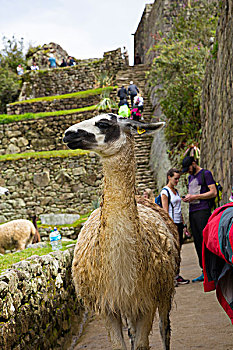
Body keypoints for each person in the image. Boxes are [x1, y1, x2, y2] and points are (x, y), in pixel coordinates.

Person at [182, 156, 217, 282]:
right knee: (197, 242)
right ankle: (204, 271)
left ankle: (212, 270)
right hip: (193, 212)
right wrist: (188, 198)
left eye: (189, 168)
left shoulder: (205, 174)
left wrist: (195, 196)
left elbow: (213, 192)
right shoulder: (190, 177)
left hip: (203, 211)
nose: (188, 171)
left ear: (194, 163)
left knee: (205, 241)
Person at [161, 168, 190, 285]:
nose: (177, 181)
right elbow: (165, 211)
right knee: (172, 251)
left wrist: (184, 225)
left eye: (178, 179)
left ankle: (177, 275)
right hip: (171, 224)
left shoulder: (176, 191)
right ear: (169, 177)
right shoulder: (165, 192)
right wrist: (169, 226)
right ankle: (171, 277)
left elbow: (179, 210)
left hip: (178, 223)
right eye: (175, 178)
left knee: (178, 250)